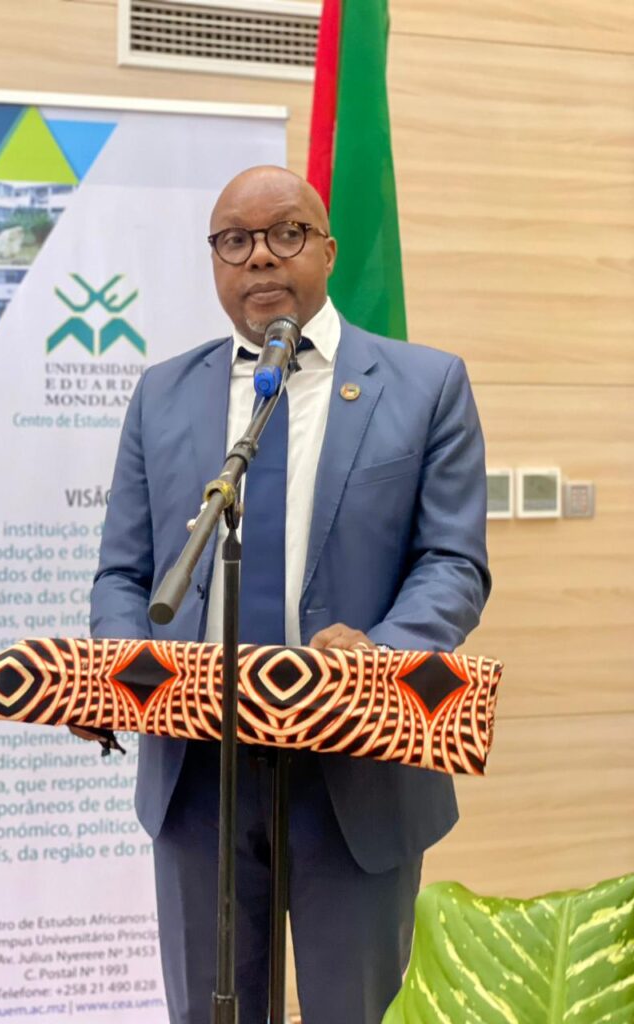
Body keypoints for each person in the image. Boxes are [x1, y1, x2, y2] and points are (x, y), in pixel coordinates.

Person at [88, 165, 490, 1023]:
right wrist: (121, 671)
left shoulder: (426, 385)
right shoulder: (163, 394)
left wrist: (380, 652)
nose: (261, 257)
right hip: (198, 768)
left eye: (286, 233)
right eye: (235, 241)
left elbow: (454, 562)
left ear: (329, 251)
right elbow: (124, 572)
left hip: (356, 768)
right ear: (215, 261)